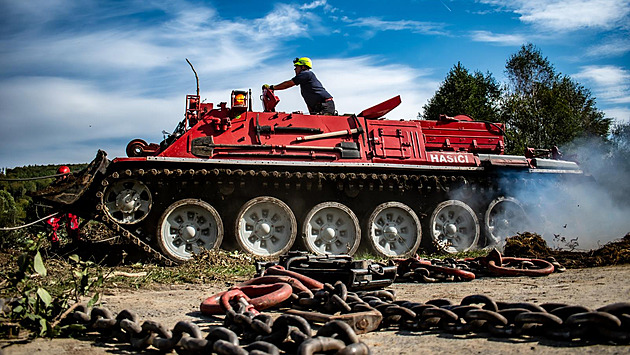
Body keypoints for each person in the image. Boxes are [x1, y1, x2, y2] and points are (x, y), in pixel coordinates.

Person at [264, 57, 335, 115]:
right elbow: (309, 102)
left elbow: (288, 84)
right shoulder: (306, 85)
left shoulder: (306, 74)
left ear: (303, 67)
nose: (294, 69)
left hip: (325, 106)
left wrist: (272, 87)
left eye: (296, 67)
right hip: (321, 106)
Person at [46, 166, 82, 249]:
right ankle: (55, 244)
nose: (61, 178)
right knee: (49, 225)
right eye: (59, 176)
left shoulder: (74, 184)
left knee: (73, 227)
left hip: (71, 209)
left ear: (67, 175)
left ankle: (76, 245)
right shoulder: (54, 186)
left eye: (63, 176)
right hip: (58, 209)